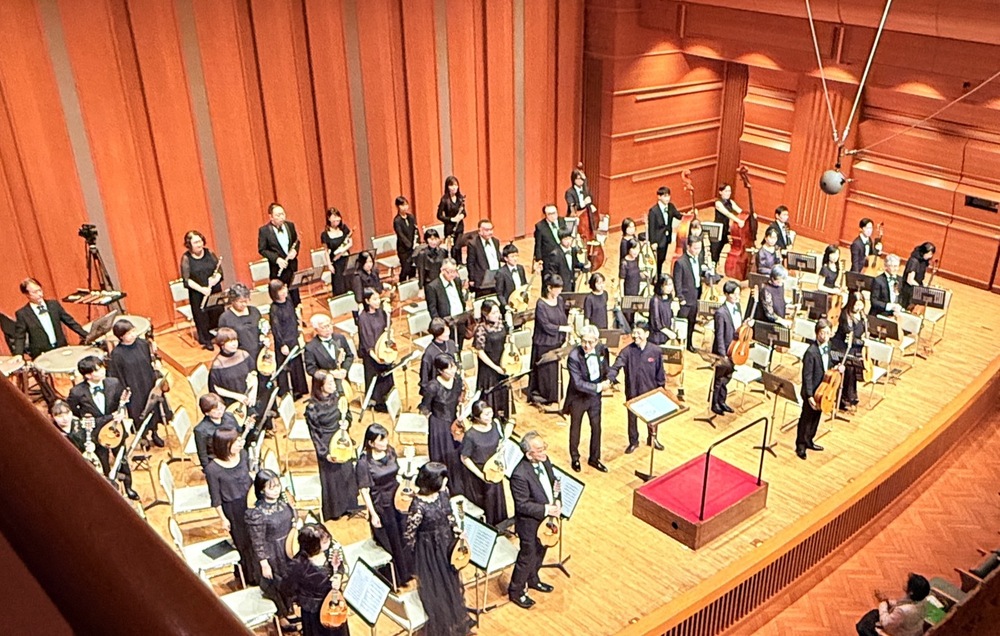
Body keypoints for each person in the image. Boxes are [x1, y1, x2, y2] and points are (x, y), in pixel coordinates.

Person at [403, 463, 471, 636]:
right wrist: (419, 557)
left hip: (447, 544)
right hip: (429, 551)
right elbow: (409, 535)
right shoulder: (418, 506)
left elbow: (449, 515)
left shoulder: (443, 494)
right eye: (443, 478)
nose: (446, 481)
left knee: (451, 582)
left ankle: (454, 619)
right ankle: (443, 624)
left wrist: (457, 530)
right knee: (436, 586)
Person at [66, 355, 138, 499]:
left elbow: (120, 402)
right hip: (96, 433)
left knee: (122, 458)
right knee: (103, 462)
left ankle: (128, 487)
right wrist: (104, 418)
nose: (103, 371)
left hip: (116, 429)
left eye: (102, 368)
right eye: (98, 370)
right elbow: (74, 411)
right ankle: (110, 491)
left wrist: (121, 412)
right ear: (88, 375)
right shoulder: (77, 392)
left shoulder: (113, 383)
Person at [356, 423, 414, 587]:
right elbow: (364, 490)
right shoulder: (364, 463)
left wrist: (409, 461)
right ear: (371, 442)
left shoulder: (390, 451)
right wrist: (373, 514)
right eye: (381, 440)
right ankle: (397, 577)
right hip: (381, 504)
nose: (385, 443)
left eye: (386, 439)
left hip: (397, 498)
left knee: (404, 534)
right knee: (392, 540)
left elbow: (398, 473)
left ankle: (409, 569)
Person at [507, 431, 559, 609]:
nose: (544, 451)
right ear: (529, 454)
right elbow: (522, 505)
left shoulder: (545, 460)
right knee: (527, 557)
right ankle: (516, 591)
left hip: (546, 520)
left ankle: (533, 578)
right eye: (540, 449)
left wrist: (558, 500)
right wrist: (546, 509)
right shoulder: (519, 475)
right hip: (529, 524)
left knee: (541, 550)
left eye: (544, 447)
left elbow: (554, 482)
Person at [305, 370, 362, 521]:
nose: (334, 385)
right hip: (326, 444)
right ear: (320, 386)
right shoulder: (312, 408)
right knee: (332, 479)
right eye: (329, 383)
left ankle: (350, 505)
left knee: (347, 473)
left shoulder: (338, 398)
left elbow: (347, 415)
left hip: (341, 439)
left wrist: (346, 423)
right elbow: (315, 435)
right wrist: (325, 454)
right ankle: (335, 511)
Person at [204, 425, 256, 584]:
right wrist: (223, 519)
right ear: (225, 446)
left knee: (256, 538)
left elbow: (248, 476)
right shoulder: (213, 469)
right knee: (244, 542)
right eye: (236, 442)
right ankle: (250, 576)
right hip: (233, 509)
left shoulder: (243, 454)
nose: (240, 444)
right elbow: (216, 498)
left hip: (250, 501)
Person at [280, 523, 350, 636]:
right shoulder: (298, 565)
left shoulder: (332, 549)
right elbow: (287, 588)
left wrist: (339, 576)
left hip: (334, 606)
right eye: (324, 542)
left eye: (328, 538)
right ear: (313, 545)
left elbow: (340, 565)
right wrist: (301, 598)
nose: (329, 542)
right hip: (313, 612)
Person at [245, 469, 295, 621]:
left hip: (288, 546)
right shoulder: (257, 513)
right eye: (271, 488)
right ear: (262, 490)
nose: (276, 490)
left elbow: (293, 515)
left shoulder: (284, 501)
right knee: (277, 584)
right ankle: (282, 617)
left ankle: (290, 609)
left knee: (290, 580)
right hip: (272, 552)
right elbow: (257, 540)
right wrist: (264, 563)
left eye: (277, 486)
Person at [609, 321, 665, 453]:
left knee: (653, 416)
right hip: (632, 391)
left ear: (647, 334)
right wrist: (610, 378)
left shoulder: (655, 351)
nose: (635, 336)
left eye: (638, 333)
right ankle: (633, 441)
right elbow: (616, 367)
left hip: (651, 391)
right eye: (634, 333)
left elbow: (660, 372)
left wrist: (661, 388)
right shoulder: (626, 351)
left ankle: (652, 438)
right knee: (632, 418)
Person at [107, 318, 164, 447]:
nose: (133, 335)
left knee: (154, 408)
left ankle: (155, 433)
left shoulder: (143, 344)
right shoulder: (117, 354)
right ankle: (143, 436)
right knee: (138, 412)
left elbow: (149, 362)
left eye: (133, 331)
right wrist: (125, 392)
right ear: (121, 336)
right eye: (128, 333)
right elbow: (117, 375)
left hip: (148, 382)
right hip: (133, 388)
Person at [418, 355, 467, 496]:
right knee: (444, 455)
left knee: (457, 453)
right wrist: (433, 423)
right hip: (439, 425)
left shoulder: (457, 380)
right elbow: (425, 407)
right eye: (448, 369)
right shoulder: (433, 386)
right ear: (440, 370)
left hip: (454, 421)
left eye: (453, 367)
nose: (453, 371)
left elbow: (459, 398)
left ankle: (458, 486)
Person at [564, 324, 610, 473]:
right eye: (584, 341)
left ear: (597, 341)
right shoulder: (573, 357)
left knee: (596, 427)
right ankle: (575, 458)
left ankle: (594, 458)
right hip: (578, 398)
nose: (587, 345)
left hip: (595, 397)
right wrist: (599, 387)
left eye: (590, 342)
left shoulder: (601, 349)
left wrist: (609, 380)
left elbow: (605, 368)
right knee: (575, 428)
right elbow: (578, 383)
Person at [795, 319, 841, 460]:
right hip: (812, 390)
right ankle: (801, 446)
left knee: (816, 417)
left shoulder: (829, 346)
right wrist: (809, 395)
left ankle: (809, 440)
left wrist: (838, 367)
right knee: (806, 418)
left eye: (827, 333)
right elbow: (807, 376)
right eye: (822, 333)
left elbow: (830, 363)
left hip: (822, 390)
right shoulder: (811, 352)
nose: (825, 336)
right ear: (816, 334)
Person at [12, 277, 88, 360]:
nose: (40, 294)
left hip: (60, 348)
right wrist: (18, 354)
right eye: (35, 292)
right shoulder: (23, 314)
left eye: (40, 290)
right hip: (41, 354)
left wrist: (87, 335)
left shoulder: (53, 305)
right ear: (27, 294)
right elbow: (20, 336)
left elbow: (70, 322)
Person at [460, 401, 511, 526]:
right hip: (479, 474)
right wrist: (482, 476)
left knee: (497, 501)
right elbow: (465, 458)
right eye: (486, 414)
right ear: (477, 417)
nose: (490, 416)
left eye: (491, 412)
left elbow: (499, 441)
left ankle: (499, 527)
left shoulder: (494, 424)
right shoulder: (470, 435)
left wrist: (501, 448)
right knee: (486, 504)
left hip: (494, 470)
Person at [526, 275, 571, 406]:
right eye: (557, 288)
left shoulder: (560, 300)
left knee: (554, 372)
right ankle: (542, 396)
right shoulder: (541, 304)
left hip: (556, 341)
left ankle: (554, 395)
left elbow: (562, 317)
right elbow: (545, 325)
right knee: (545, 373)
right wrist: (562, 328)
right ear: (549, 288)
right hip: (544, 343)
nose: (560, 291)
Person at [179, 231, 224, 349]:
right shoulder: (186, 258)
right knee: (202, 317)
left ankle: (220, 337)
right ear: (189, 245)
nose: (199, 244)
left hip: (214, 290)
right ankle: (207, 340)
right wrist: (202, 289)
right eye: (195, 242)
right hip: (198, 294)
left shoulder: (209, 253)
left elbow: (219, 271)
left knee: (217, 313)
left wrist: (215, 279)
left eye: (200, 241)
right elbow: (187, 280)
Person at [712, 281, 748, 416]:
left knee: (728, 376)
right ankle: (714, 403)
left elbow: (738, 327)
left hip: (734, 348)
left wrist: (746, 324)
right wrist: (722, 355)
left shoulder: (737, 306)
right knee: (719, 378)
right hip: (724, 350)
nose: (738, 297)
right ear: (727, 294)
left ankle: (722, 401)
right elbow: (719, 335)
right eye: (734, 294)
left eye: (739, 294)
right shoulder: (720, 313)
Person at [268, 280, 308, 400]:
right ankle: (285, 392)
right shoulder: (274, 308)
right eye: (280, 290)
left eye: (284, 288)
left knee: (297, 365)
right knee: (285, 367)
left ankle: (299, 390)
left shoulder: (289, 300)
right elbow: (276, 328)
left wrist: (298, 328)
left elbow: (293, 317)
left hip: (293, 337)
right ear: (274, 293)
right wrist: (282, 344)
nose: (284, 291)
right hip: (284, 341)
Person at [856, 573, 930, 636]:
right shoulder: (923, 600)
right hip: (913, 630)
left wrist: (883, 603)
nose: (905, 582)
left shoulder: (902, 611)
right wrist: (888, 601)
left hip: (899, 633)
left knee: (862, 627)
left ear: (911, 592)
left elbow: (886, 623)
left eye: (908, 582)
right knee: (875, 613)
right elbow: (902, 603)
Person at [472, 300, 510, 422]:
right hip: (488, 367)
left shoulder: (501, 324)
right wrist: (495, 367)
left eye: (497, 312)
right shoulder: (481, 329)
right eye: (493, 313)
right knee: (490, 394)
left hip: (502, 362)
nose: (497, 315)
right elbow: (480, 352)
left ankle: (502, 418)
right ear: (485, 314)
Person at [357, 288, 394, 411]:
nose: (378, 301)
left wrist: (388, 314)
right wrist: (376, 356)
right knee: (375, 377)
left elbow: (387, 328)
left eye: (378, 298)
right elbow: (366, 339)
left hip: (383, 349)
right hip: (372, 354)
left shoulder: (381, 311)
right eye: (374, 299)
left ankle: (388, 399)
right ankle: (377, 403)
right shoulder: (363, 317)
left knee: (387, 375)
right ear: (367, 301)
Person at [258, 202, 300, 305]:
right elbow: (262, 250)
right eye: (278, 215)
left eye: (283, 214)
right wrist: (277, 259)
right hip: (277, 270)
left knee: (295, 297)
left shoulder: (290, 226)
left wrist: (295, 251)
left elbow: (296, 242)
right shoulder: (264, 231)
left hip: (291, 267)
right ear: (271, 217)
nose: (281, 217)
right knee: (281, 299)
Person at [425, 257, 469, 349]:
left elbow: (460, 298)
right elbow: (433, 310)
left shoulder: (457, 281)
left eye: (455, 271)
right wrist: (441, 327)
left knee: (459, 347)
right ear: (442, 270)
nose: (453, 274)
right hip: (446, 324)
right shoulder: (432, 287)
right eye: (450, 271)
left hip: (460, 320)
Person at [833, 292, 866, 412]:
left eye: (861, 304)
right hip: (842, 347)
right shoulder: (845, 316)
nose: (859, 307)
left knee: (855, 369)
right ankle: (844, 399)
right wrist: (863, 342)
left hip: (855, 347)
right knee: (850, 369)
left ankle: (851, 396)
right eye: (856, 304)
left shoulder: (862, 316)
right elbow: (849, 336)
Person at [207, 327, 256, 408]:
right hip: (231, 403)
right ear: (222, 344)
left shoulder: (244, 355)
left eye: (235, 340)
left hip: (248, 398)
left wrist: (253, 392)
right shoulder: (218, 364)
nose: (234, 344)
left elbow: (253, 374)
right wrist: (238, 396)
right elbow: (216, 389)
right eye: (230, 341)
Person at [193, 393, 243, 469]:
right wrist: (209, 469)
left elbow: (239, 431)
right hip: (218, 461)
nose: (220, 411)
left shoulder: (229, 416)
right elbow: (203, 455)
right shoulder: (200, 430)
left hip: (234, 454)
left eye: (221, 408)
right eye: (215, 411)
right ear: (207, 413)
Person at [218, 283, 263, 365]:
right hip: (240, 357)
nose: (244, 304)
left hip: (259, 352)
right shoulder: (225, 318)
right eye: (241, 302)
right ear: (232, 301)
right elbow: (223, 342)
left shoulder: (254, 311)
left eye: (246, 301)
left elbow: (261, 329)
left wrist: (264, 337)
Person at [672, 238, 703, 352]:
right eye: (695, 248)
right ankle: (678, 345)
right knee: (681, 323)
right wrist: (680, 297)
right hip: (685, 298)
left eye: (699, 248)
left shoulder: (699, 258)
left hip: (695, 296)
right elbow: (677, 282)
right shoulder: (680, 262)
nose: (698, 251)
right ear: (688, 247)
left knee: (692, 321)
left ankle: (689, 343)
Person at [303, 314, 355, 379]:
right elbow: (311, 369)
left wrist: (344, 369)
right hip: (325, 382)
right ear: (316, 330)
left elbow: (349, 356)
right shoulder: (310, 347)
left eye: (329, 325)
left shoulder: (340, 338)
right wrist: (329, 374)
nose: (328, 329)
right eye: (323, 327)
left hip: (343, 378)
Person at [647, 186, 682, 276]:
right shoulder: (653, 211)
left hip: (666, 238)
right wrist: (653, 242)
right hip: (658, 239)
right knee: (657, 259)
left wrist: (689, 214)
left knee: (662, 258)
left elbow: (678, 216)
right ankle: (656, 277)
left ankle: (659, 275)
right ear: (659, 197)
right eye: (665, 196)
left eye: (668, 196)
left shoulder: (671, 206)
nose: (667, 198)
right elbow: (651, 227)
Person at [419, 318, 458, 395]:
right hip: (438, 391)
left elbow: (457, 360)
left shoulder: (451, 344)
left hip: (452, 385)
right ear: (437, 333)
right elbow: (424, 377)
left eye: (448, 330)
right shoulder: (429, 353)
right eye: (445, 332)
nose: (448, 333)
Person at [321, 207, 354, 297]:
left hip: (346, 259)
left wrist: (341, 252)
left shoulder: (344, 228)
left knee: (349, 284)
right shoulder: (325, 234)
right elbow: (326, 251)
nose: (336, 219)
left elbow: (350, 243)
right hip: (335, 262)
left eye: (338, 217)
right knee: (339, 286)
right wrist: (329, 265)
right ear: (329, 218)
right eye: (334, 217)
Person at [465, 218, 501, 296]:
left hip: (496, 276)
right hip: (482, 279)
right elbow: (470, 262)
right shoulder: (473, 244)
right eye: (487, 230)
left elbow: (497, 256)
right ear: (480, 231)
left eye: (491, 229)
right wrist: (471, 279)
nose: (490, 232)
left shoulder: (496, 241)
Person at [710, 183, 744, 265]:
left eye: (729, 191)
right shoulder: (718, 203)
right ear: (720, 192)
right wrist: (738, 221)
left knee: (722, 246)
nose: (728, 193)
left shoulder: (731, 202)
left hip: (726, 229)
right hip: (718, 229)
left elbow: (740, 211)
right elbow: (728, 214)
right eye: (726, 191)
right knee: (715, 250)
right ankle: (713, 267)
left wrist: (750, 215)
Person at [437, 176, 467, 262]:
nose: (454, 187)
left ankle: (459, 264)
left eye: (456, 185)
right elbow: (439, 216)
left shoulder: (460, 198)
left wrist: (462, 216)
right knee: (452, 249)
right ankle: (452, 264)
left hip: (459, 227)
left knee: (458, 248)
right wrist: (451, 219)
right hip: (449, 228)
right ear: (447, 187)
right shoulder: (444, 200)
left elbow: (464, 212)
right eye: (451, 185)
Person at [495, 243, 530, 313]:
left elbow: (524, 285)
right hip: (509, 306)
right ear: (506, 258)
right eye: (512, 256)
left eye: (516, 256)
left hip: (520, 303)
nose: (515, 259)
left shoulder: (520, 268)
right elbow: (499, 293)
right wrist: (506, 306)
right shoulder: (501, 272)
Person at [901, 242, 936, 309]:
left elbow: (919, 278)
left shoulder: (923, 261)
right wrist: (922, 289)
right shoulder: (914, 261)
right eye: (929, 254)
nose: (931, 256)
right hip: (909, 290)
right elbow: (910, 280)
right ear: (924, 252)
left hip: (916, 288)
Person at [392, 196, 418, 281]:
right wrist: (409, 245)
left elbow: (415, 229)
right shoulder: (397, 221)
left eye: (406, 205)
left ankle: (411, 284)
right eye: (402, 205)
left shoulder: (411, 217)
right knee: (406, 268)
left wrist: (416, 241)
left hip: (412, 246)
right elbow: (401, 235)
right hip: (403, 249)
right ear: (398, 206)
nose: (405, 207)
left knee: (412, 268)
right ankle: (402, 282)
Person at [648, 276, 676, 346]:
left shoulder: (669, 298)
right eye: (667, 285)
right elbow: (656, 321)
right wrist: (667, 332)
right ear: (660, 286)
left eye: (671, 284)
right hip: (657, 336)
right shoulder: (655, 300)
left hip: (667, 335)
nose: (670, 287)